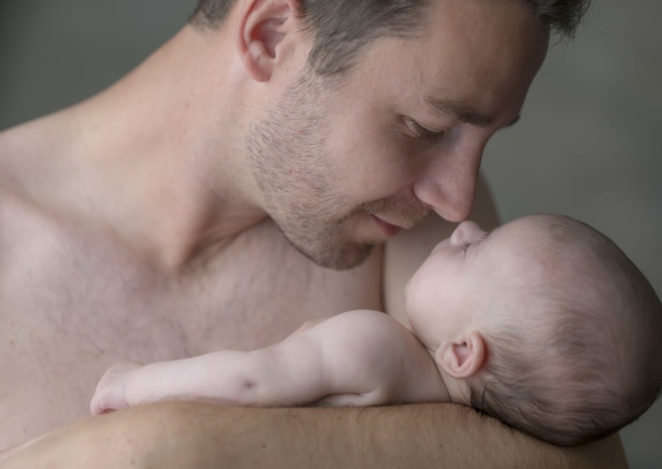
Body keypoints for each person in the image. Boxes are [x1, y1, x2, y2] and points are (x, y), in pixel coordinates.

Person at [0, 0, 630, 467]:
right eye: (425, 127)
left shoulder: (414, 230)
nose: (459, 199)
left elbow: (581, 460)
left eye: (483, 139)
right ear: (271, 35)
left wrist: (175, 447)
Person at [90, 215, 662, 446]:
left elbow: (250, 379)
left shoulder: (374, 345)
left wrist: (136, 385)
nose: (465, 224)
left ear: (464, 351)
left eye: (475, 250)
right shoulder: (443, 413)